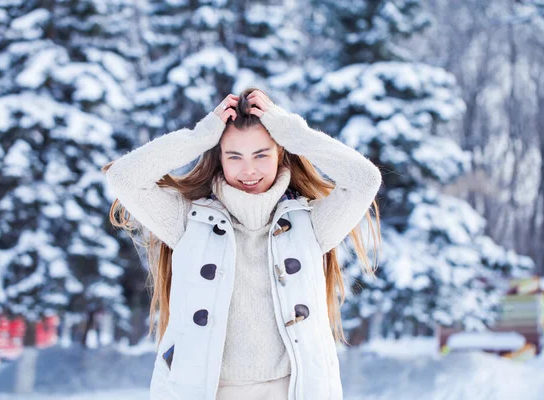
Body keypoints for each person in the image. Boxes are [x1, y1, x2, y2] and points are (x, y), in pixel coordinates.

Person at [103, 88, 382, 400]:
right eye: (234, 156)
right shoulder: (188, 221)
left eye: (261, 155)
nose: (249, 170)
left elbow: (365, 180)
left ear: (281, 152)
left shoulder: (311, 224)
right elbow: (124, 178)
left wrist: (292, 131)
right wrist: (199, 137)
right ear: (219, 158)